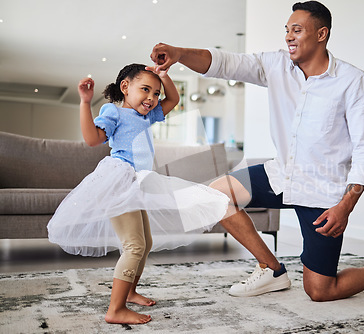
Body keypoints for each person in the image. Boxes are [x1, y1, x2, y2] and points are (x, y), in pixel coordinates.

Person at [149, 0, 364, 302]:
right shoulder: (276, 65)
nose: (289, 36)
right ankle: (272, 269)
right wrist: (179, 54)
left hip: (324, 192)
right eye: (287, 30)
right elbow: (226, 63)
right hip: (281, 175)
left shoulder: (354, 81)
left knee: (320, 291)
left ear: (321, 34)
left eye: (297, 29)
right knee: (216, 195)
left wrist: (345, 206)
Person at [47, 64, 229, 324]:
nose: (152, 98)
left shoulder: (148, 115)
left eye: (156, 93)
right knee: (134, 246)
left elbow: (174, 99)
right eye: (145, 89)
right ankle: (115, 309)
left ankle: (130, 291)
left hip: (137, 183)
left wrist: (164, 77)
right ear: (125, 87)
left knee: (146, 244)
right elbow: (92, 139)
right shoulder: (114, 111)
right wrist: (85, 103)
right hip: (119, 182)